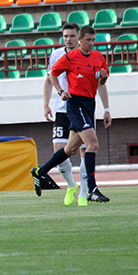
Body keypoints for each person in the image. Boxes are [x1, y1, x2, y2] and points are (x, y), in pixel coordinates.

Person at [31, 25, 112, 205]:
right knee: (92, 144)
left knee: (71, 149)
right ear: (81, 40)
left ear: (77, 38)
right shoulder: (65, 56)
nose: (91, 43)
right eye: (88, 40)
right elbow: (51, 76)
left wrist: (106, 106)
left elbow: (101, 81)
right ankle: (91, 189)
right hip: (73, 105)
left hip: (89, 104)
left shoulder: (98, 57)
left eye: (93, 40)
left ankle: (40, 172)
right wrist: (58, 94)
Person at [42, 23, 83, 202]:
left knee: (83, 151)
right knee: (59, 149)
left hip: (81, 108)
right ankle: (71, 185)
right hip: (62, 109)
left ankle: (85, 190)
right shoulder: (56, 54)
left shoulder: (86, 55)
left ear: (78, 37)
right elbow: (49, 79)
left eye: (72, 36)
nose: (68, 39)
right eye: (66, 36)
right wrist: (46, 104)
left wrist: (106, 108)